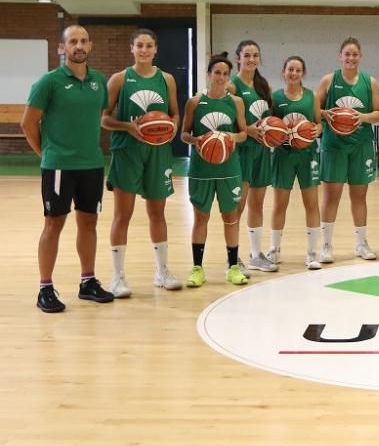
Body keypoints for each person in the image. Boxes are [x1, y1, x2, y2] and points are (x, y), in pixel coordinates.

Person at [22, 25, 115, 312]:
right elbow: (27, 124)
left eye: (84, 41)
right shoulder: (48, 82)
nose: (79, 45)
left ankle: (87, 282)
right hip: (59, 166)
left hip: (92, 164)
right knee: (54, 224)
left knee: (89, 223)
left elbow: (96, 117)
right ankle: (45, 288)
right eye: (73, 41)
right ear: (62, 48)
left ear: (91, 46)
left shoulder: (99, 81)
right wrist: (47, 155)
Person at [101, 28, 183, 297]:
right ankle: (117, 277)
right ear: (132, 48)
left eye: (149, 45)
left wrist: (170, 127)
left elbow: (174, 114)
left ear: (156, 49)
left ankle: (162, 272)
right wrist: (128, 126)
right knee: (122, 215)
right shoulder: (120, 79)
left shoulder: (167, 79)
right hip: (127, 151)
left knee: (157, 213)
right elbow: (104, 118)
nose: (144, 50)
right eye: (140, 46)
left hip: (158, 153)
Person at [180, 53, 249, 287]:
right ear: (209, 74)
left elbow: (243, 133)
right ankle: (197, 268)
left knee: (231, 217)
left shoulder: (236, 102)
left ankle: (233, 267)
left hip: (230, 168)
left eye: (225, 74)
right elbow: (183, 134)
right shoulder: (195, 102)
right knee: (201, 217)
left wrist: (229, 136)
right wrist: (197, 140)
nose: (220, 77)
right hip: (201, 168)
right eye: (217, 73)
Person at [316, 37, 379, 262]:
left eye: (355, 54)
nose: (351, 58)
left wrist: (362, 117)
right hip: (333, 145)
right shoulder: (328, 80)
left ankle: (361, 243)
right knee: (331, 196)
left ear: (360, 56)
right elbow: (314, 109)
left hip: (361, 145)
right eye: (347, 54)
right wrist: (326, 114)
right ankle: (326, 245)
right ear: (340, 55)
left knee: (359, 196)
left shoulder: (370, 82)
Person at [227, 39, 277, 273]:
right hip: (242, 151)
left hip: (262, 151)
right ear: (238, 58)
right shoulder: (232, 86)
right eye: (247, 55)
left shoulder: (262, 85)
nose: (251, 59)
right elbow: (227, 122)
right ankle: (233, 256)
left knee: (257, 203)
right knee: (238, 205)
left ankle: (256, 254)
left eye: (255, 55)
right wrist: (248, 130)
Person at [267, 56, 322, 268]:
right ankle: (275, 250)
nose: (294, 73)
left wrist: (318, 129)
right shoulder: (276, 97)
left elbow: (319, 124)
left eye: (298, 70)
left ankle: (312, 253)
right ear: (284, 72)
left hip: (308, 155)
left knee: (312, 204)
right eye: (290, 69)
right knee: (280, 204)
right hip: (283, 155)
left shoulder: (312, 96)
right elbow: (270, 125)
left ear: (303, 73)